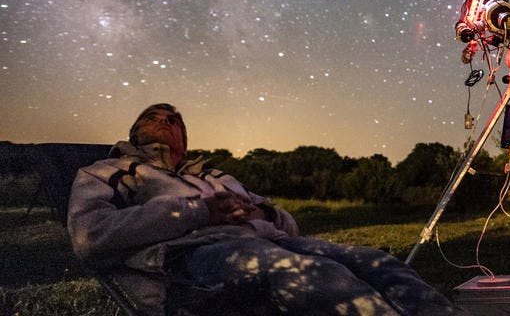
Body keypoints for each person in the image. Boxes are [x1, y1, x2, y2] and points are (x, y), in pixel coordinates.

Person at [68, 103, 464, 315]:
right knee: (317, 275)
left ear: (184, 138)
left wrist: (265, 215)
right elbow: (91, 236)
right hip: (188, 258)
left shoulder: (215, 173)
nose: (165, 122)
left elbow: (284, 224)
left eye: (174, 120)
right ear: (136, 131)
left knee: (376, 261)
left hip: (268, 243)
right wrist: (202, 212)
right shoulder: (110, 171)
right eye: (153, 118)